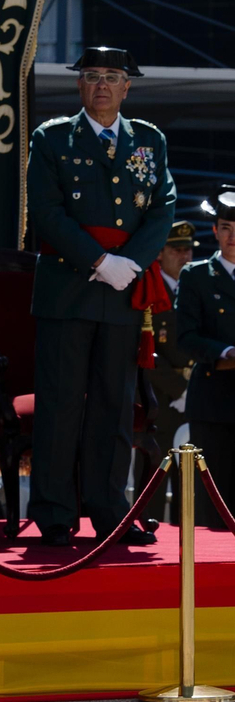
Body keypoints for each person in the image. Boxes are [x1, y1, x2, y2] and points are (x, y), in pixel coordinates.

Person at [27, 45, 175, 546]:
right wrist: (99, 261)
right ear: (80, 85)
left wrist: (129, 263)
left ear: (127, 87)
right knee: (60, 403)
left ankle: (111, 512)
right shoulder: (51, 138)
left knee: (115, 404)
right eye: (92, 76)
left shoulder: (149, 140)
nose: (102, 85)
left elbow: (163, 207)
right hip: (69, 286)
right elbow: (46, 211)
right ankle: (54, 514)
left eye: (112, 76)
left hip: (124, 288)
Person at [175, 191, 235, 529]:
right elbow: (186, 337)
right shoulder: (196, 275)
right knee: (214, 504)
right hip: (214, 402)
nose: (232, 237)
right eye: (225, 227)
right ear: (214, 230)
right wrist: (225, 352)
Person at [135, 220, 196, 520]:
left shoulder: (196, 287)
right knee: (154, 479)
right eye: (176, 250)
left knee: (191, 482)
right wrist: (180, 389)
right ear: (160, 252)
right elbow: (146, 351)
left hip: (195, 397)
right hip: (159, 399)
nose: (184, 256)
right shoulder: (149, 287)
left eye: (188, 250)